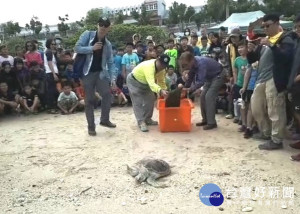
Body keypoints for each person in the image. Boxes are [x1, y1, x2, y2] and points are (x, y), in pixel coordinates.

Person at [247, 14, 295, 150]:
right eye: (263, 26)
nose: (265, 28)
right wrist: (250, 52)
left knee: (275, 110)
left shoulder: (285, 39)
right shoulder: (265, 40)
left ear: (276, 23)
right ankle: (266, 133)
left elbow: (286, 58)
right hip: (261, 79)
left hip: (274, 79)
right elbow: (253, 60)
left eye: (267, 25)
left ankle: (276, 139)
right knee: (256, 108)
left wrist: (272, 45)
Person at [75, 17, 116, 136]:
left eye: (106, 25)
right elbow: (76, 48)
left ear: (109, 28)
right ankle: (91, 127)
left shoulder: (107, 44)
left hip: (101, 73)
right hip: (87, 73)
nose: (103, 27)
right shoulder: (87, 35)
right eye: (101, 24)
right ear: (97, 25)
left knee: (107, 94)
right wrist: (91, 48)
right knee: (89, 100)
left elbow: (110, 62)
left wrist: (113, 79)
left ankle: (104, 120)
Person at [180, 52, 225, 130]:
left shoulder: (201, 64)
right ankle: (205, 120)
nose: (185, 67)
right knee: (202, 96)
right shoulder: (193, 63)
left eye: (186, 64)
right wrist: (185, 87)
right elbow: (191, 77)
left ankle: (212, 123)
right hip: (209, 77)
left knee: (209, 96)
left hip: (218, 75)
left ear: (191, 60)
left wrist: (190, 89)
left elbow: (200, 82)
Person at [126, 54, 169, 132]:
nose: (162, 66)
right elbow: (152, 84)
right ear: (157, 60)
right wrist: (160, 91)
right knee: (137, 102)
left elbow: (161, 81)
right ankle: (141, 122)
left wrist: (164, 90)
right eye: (161, 64)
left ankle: (147, 119)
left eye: (164, 65)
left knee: (150, 99)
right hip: (134, 81)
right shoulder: (149, 67)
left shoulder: (162, 69)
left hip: (146, 83)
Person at [44, 38, 59, 114]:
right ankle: (51, 107)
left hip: (51, 72)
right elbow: (50, 63)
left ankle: (52, 106)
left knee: (53, 90)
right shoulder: (49, 52)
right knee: (51, 91)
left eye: (54, 44)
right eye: (52, 44)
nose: (53, 45)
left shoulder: (51, 52)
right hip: (50, 72)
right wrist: (53, 74)